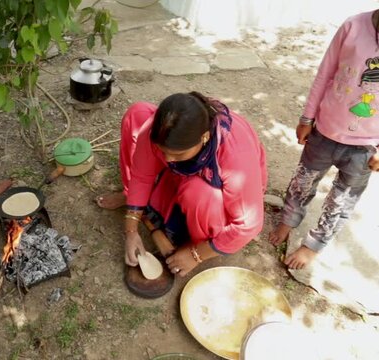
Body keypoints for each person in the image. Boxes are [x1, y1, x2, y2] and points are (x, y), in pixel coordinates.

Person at [96, 92, 267, 277]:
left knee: (197, 192)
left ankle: (194, 241)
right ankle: (134, 201)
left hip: (214, 198)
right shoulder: (159, 130)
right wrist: (131, 230)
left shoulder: (236, 156)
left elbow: (248, 225)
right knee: (137, 114)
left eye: (177, 154)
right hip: (181, 177)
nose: (168, 159)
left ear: (205, 137)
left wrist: (196, 255)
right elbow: (142, 176)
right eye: (163, 151)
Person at [268, 10, 379, 269]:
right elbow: (325, 74)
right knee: (303, 183)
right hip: (325, 132)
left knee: (342, 199)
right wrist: (307, 118)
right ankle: (289, 220)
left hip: (365, 146)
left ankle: (314, 245)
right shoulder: (353, 26)